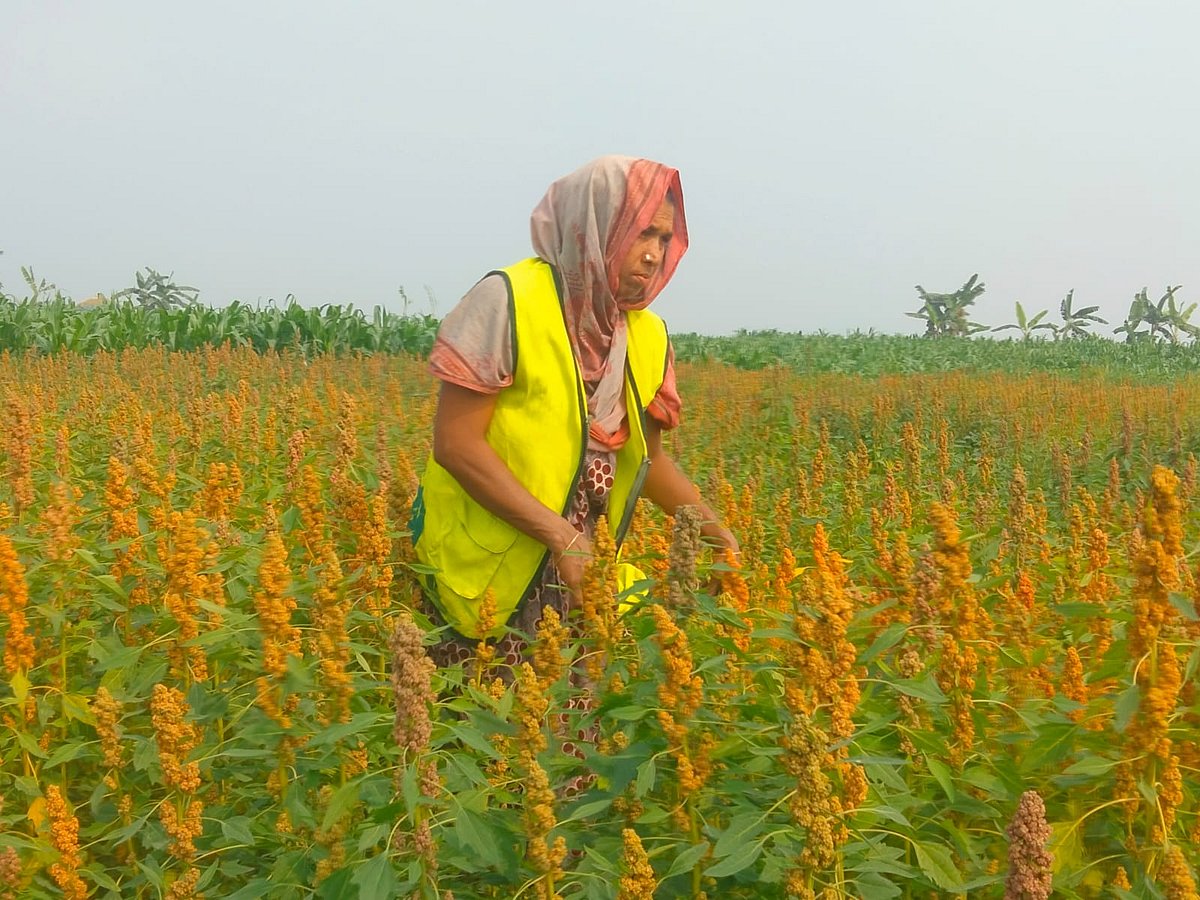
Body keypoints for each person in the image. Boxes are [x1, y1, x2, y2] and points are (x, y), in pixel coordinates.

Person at [410, 155, 740, 668]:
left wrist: (715, 532)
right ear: (595, 224)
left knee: (570, 730)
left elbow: (648, 461)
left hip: (584, 570)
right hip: (493, 564)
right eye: (640, 233)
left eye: (663, 240)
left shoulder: (646, 335)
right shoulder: (508, 300)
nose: (653, 254)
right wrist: (560, 535)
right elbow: (457, 445)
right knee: (483, 727)